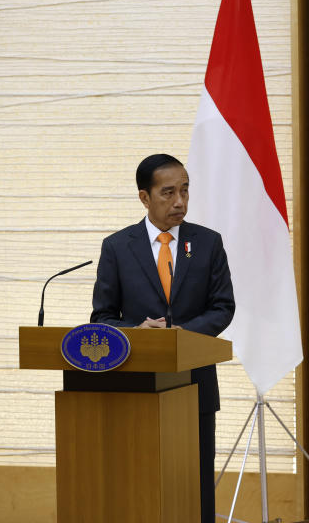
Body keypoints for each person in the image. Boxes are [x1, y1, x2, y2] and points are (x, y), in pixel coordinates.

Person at [91, 153, 234, 523]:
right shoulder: (117, 248)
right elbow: (103, 318)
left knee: (195, 486)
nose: (180, 201)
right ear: (144, 197)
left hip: (195, 387)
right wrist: (138, 334)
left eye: (185, 190)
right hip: (135, 392)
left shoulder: (208, 243)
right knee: (139, 488)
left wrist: (181, 336)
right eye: (168, 192)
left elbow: (223, 307)